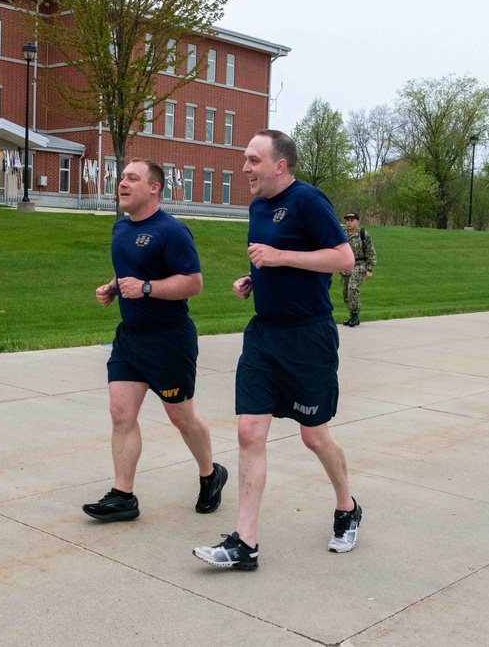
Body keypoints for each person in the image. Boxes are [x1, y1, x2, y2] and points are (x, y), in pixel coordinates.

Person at [193, 129, 360, 571]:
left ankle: (347, 506)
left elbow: (344, 259)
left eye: (252, 160)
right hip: (264, 335)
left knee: (314, 435)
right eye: (245, 160)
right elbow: (268, 256)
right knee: (249, 433)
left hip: (308, 337)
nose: (243, 167)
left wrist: (280, 259)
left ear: (279, 165)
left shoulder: (308, 201)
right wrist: (254, 280)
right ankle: (244, 542)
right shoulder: (258, 206)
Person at [85, 158, 227, 522]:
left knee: (181, 418)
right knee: (120, 414)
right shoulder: (120, 229)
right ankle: (123, 496)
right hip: (130, 339)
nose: (122, 183)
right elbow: (133, 272)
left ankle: (211, 474)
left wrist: (146, 288)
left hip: (169, 341)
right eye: (121, 178)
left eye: (132, 178)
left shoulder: (172, 231)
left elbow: (193, 283)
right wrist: (114, 287)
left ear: (154, 188)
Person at [340, 212, 377, 327]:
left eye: (352, 220)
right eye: (347, 220)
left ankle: (355, 314)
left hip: (360, 264)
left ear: (357, 221)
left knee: (353, 287)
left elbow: (371, 252)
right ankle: (352, 316)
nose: (349, 222)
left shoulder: (363, 234)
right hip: (346, 265)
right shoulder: (342, 234)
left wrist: (369, 269)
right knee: (346, 292)